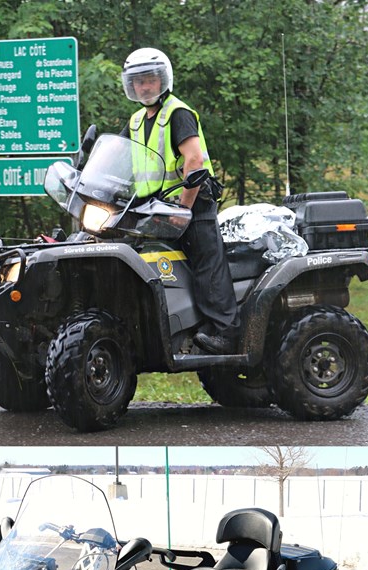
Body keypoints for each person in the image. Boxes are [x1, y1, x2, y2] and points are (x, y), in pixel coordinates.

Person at [122, 47, 239, 354]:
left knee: (206, 263)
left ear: (163, 80)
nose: (145, 86)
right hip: (155, 210)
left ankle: (226, 333)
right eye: (139, 81)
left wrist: (184, 209)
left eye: (150, 79)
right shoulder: (135, 121)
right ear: (131, 86)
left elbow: (194, 160)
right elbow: (121, 161)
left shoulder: (178, 113)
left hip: (191, 202)